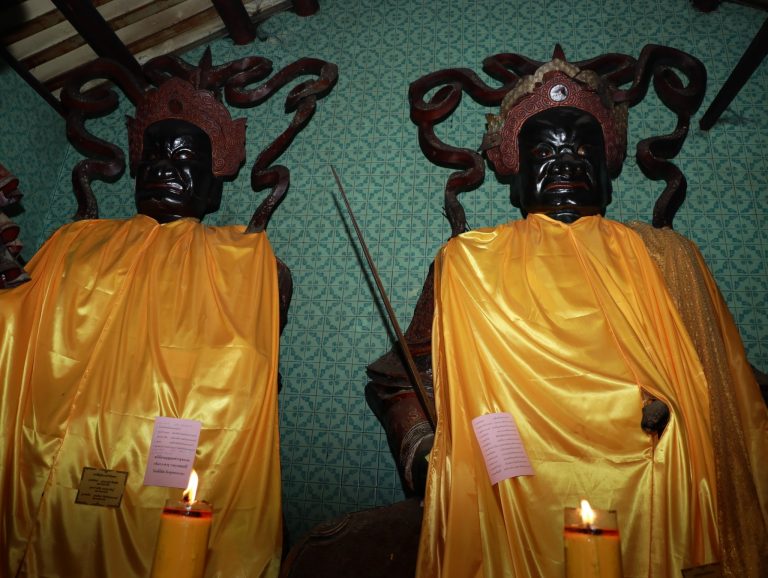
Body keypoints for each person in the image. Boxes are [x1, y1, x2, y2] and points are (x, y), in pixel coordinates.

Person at [371, 53, 768, 577]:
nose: (565, 161)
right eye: (544, 150)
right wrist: (422, 447)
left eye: (582, 150)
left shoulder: (669, 256)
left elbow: (729, 378)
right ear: (515, 172)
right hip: (514, 485)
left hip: (663, 484)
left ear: (607, 170)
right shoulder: (469, 262)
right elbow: (401, 376)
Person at [0, 72, 291, 577]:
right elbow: (16, 331)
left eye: (184, 158)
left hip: (170, 468)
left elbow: (253, 379)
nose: (162, 167)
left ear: (214, 184)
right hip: (60, 464)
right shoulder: (75, 244)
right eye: (153, 157)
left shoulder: (245, 263)